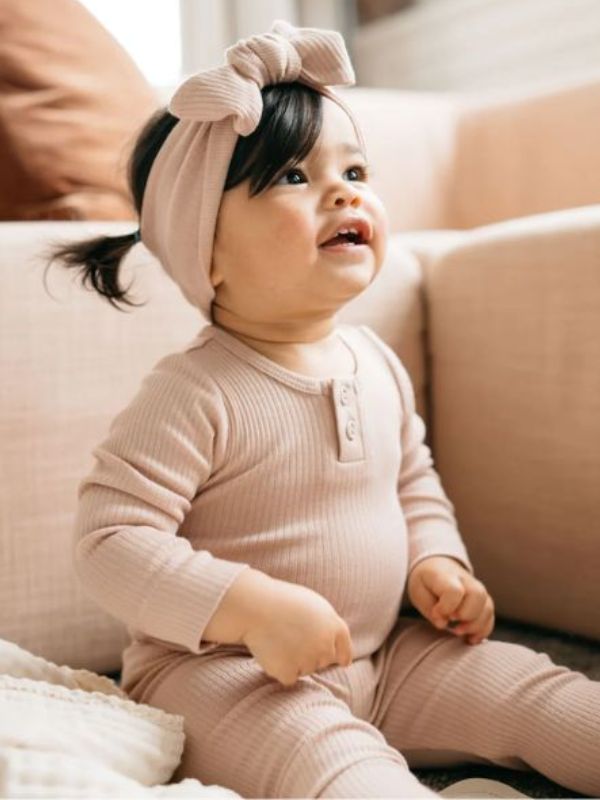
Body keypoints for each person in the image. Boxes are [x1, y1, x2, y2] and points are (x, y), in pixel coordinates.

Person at [46, 19, 600, 800]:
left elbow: (413, 481)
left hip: (386, 656)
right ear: (206, 249)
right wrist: (249, 608)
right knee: (331, 762)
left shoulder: (374, 361)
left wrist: (437, 563)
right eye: (293, 178)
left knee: (535, 693)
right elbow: (110, 540)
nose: (344, 190)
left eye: (355, 168)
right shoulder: (194, 391)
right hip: (223, 675)